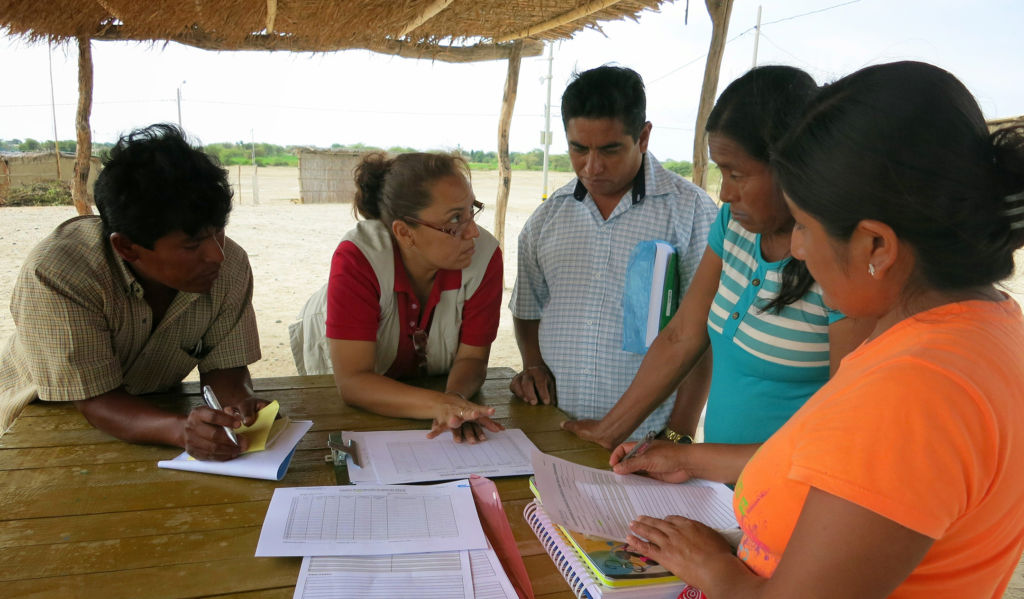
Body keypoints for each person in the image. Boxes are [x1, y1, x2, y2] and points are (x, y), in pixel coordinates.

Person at [614, 61, 1024, 598]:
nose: (799, 250)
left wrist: (713, 566)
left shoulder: (914, 390)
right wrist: (690, 458)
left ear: (877, 245)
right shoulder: (981, 328)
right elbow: (836, 481)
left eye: (804, 226)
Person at [563, 66, 871, 449]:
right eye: (719, 171)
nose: (724, 193)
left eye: (737, 174)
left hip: (787, 494)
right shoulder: (733, 226)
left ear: (793, 167)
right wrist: (609, 432)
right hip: (724, 490)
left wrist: (686, 455)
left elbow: (840, 432)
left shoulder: (841, 266)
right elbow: (681, 335)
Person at [0, 123, 264, 461]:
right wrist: (180, 430)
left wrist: (238, 407)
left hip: (151, 423)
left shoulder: (229, 266)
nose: (217, 255)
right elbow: (96, 399)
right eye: (193, 244)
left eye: (219, 231)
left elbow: (225, 366)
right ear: (127, 247)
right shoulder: (59, 273)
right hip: (42, 426)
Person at [509, 65, 718, 440]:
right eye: (578, 149)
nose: (591, 167)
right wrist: (533, 365)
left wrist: (678, 436)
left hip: (647, 439)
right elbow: (527, 308)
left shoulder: (691, 213)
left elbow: (700, 338)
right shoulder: (547, 218)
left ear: (643, 136)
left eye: (609, 149)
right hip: (557, 428)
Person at [325, 151, 504, 443]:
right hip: (364, 410)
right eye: (455, 219)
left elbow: (472, 357)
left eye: (472, 210)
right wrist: (441, 405)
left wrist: (456, 402)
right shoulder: (359, 258)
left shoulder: (483, 257)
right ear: (405, 233)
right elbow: (353, 381)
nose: (472, 231)